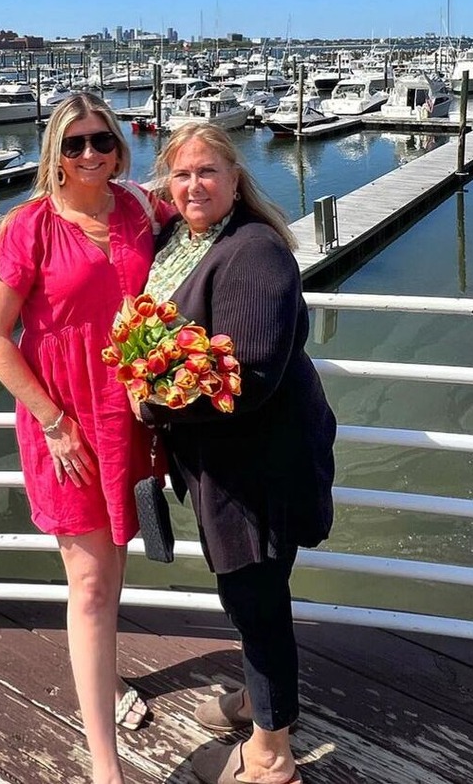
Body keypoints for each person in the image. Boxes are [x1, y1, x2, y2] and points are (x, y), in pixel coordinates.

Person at [0, 92, 174, 784]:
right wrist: (54, 422)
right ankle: (104, 763)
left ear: (119, 148)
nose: (89, 154)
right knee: (89, 581)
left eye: (101, 141)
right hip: (65, 420)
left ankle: (105, 680)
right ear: (54, 154)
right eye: (74, 144)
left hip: (131, 417)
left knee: (112, 567)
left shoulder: (142, 211)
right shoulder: (28, 227)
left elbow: (211, 210)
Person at [135, 123, 336, 784]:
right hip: (220, 463)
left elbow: (245, 374)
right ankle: (261, 702)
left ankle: (273, 756)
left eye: (207, 171)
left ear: (235, 179)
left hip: (260, 465)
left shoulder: (253, 252)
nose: (192, 184)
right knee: (246, 590)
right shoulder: (180, 244)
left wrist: (152, 397)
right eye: (181, 173)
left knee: (255, 596)